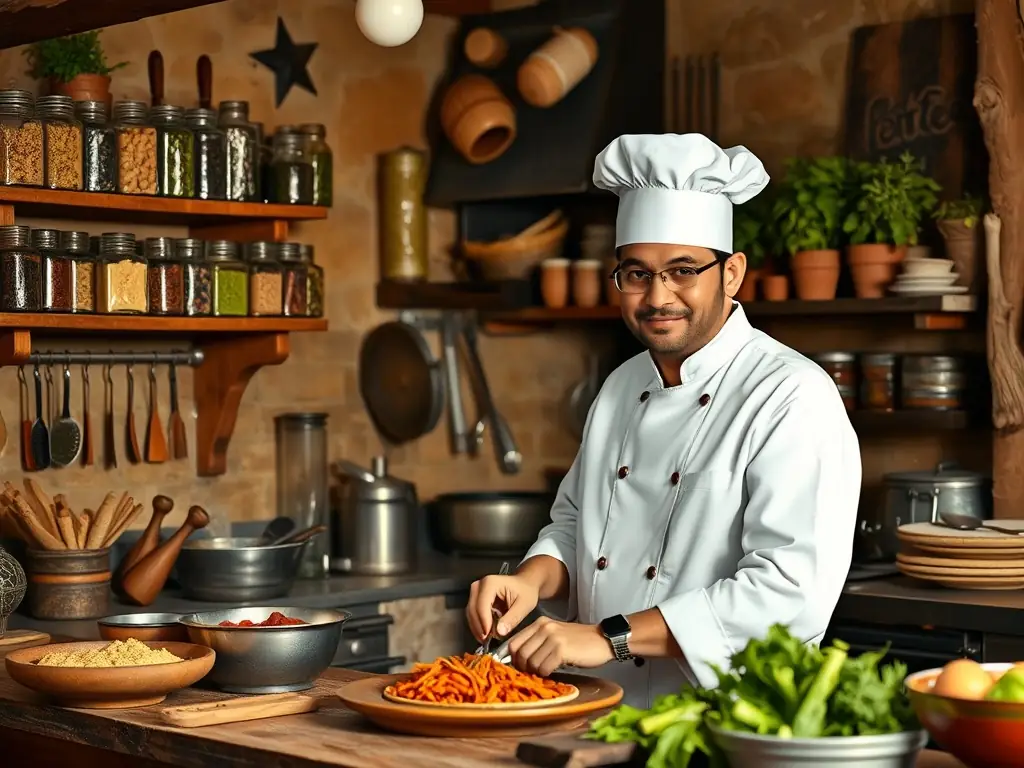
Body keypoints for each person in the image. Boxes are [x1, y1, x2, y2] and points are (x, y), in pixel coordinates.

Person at [465, 133, 861, 708]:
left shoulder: (791, 395)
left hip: (721, 723)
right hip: (599, 708)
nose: (658, 296)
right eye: (637, 273)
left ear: (731, 274)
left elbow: (787, 591)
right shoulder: (623, 385)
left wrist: (610, 637)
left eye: (682, 271)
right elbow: (577, 525)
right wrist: (531, 580)